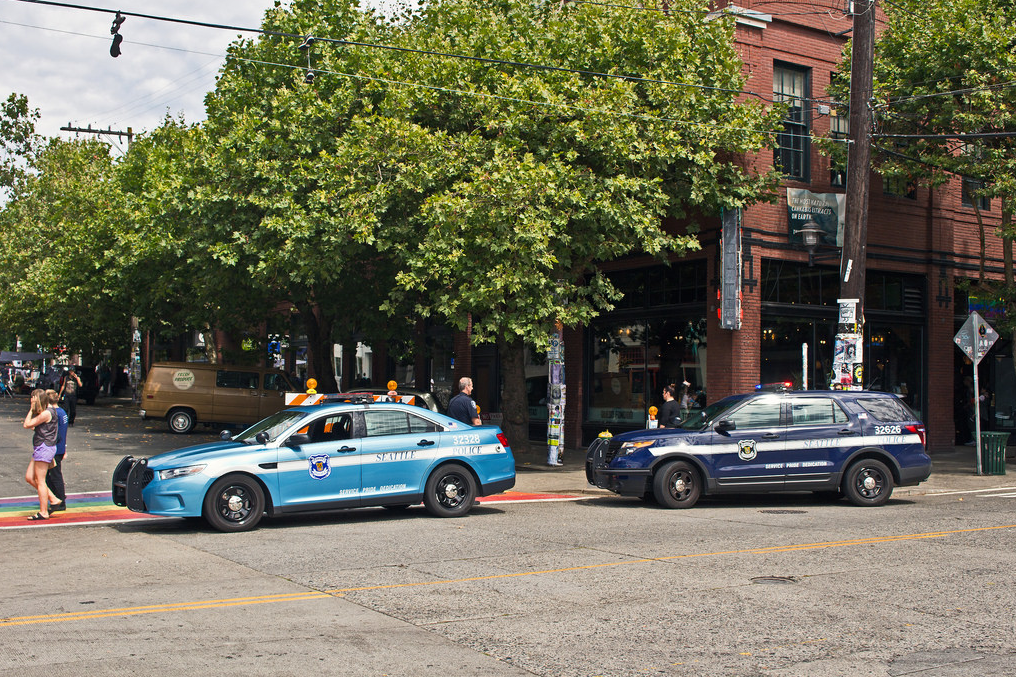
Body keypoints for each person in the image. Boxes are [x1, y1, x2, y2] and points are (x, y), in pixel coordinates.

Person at [23, 389, 61, 520]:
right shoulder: (49, 409)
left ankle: (43, 511)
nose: (31, 401)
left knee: (40, 481)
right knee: (29, 477)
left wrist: (31, 409)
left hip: (44, 448)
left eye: (33, 399)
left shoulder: (46, 413)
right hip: (42, 447)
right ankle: (53, 499)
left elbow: (27, 424)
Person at [45, 389, 69, 512]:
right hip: (60, 447)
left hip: (55, 448)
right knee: (50, 476)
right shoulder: (62, 412)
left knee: (55, 475)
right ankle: (57, 498)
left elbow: (56, 434)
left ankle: (60, 500)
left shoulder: (54, 413)